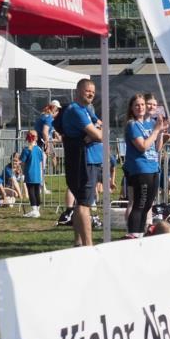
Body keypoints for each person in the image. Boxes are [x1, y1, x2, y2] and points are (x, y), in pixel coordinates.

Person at [61, 79, 104, 247]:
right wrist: (95, 132)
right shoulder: (76, 110)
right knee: (84, 204)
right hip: (85, 161)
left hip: (90, 159)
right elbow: (100, 134)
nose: (91, 93)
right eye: (87, 90)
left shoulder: (87, 110)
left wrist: (95, 131)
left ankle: (79, 243)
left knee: (81, 202)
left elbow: (100, 126)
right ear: (78, 91)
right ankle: (88, 245)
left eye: (93, 91)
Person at [124, 93, 166, 238]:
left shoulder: (149, 123)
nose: (141, 107)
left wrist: (160, 131)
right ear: (132, 108)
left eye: (142, 104)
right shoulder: (132, 125)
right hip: (140, 168)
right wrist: (155, 131)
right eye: (137, 105)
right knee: (139, 204)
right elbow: (142, 146)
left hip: (153, 167)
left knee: (148, 205)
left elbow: (157, 147)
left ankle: (140, 234)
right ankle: (133, 234)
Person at [20, 130, 45, 218]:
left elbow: (22, 162)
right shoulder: (39, 149)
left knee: (31, 191)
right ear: (36, 138)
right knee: (37, 191)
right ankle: (37, 209)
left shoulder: (26, 149)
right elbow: (41, 161)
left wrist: (22, 172)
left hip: (30, 173)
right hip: (38, 174)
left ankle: (34, 210)